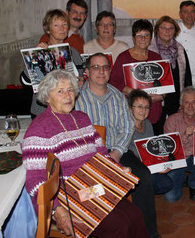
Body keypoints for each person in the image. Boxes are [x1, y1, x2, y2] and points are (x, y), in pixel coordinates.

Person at [22, 70, 149, 237]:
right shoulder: (38, 129)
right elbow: (34, 180)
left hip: (95, 188)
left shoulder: (81, 118)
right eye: (60, 91)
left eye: (70, 90)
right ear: (47, 97)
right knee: (119, 225)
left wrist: (119, 170)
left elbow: (102, 155)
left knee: (135, 215)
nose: (68, 96)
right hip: (69, 196)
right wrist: (57, 210)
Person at [75, 53, 160, 238]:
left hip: (117, 151)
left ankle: (150, 233)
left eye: (105, 67)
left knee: (144, 177)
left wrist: (117, 152)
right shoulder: (77, 98)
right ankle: (96, 225)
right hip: (89, 156)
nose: (101, 71)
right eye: (96, 67)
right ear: (87, 72)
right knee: (94, 187)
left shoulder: (118, 96)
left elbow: (127, 127)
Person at [21, 9, 84, 117]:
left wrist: (81, 81)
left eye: (64, 24)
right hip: (42, 110)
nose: (62, 28)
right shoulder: (39, 51)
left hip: (67, 108)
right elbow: (24, 80)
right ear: (48, 30)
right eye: (56, 25)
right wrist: (34, 57)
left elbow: (81, 77)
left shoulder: (73, 52)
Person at [109, 19, 164, 130]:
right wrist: (134, 93)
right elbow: (113, 83)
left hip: (154, 112)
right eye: (139, 35)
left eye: (146, 35)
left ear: (151, 38)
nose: (143, 38)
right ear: (133, 38)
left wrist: (161, 96)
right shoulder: (123, 57)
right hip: (130, 115)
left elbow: (165, 85)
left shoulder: (156, 58)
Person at [163, 87, 195, 201]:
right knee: (171, 198)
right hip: (177, 161)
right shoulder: (171, 121)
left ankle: (193, 184)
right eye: (187, 102)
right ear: (181, 105)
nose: (190, 106)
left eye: (194, 102)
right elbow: (169, 150)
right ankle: (183, 176)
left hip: (193, 158)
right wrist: (184, 136)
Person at [148, 15, 192, 135]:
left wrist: (186, 99)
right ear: (157, 30)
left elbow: (187, 76)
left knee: (176, 131)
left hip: (176, 97)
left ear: (175, 31)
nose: (167, 31)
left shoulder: (180, 49)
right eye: (163, 28)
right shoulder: (149, 49)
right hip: (157, 99)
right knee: (158, 131)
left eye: (171, 28)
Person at [126, 89, 174, 196]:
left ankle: (140, 192)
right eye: (139, 106)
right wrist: (154, 168)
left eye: (147, 107)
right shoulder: (125, 126)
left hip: (146, 166)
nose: (143, 110)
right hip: (131, 168)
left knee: (167, 184)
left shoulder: (148, 124)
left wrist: (160, 164)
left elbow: (150, 151)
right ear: (130, 108)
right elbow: (131, 158)